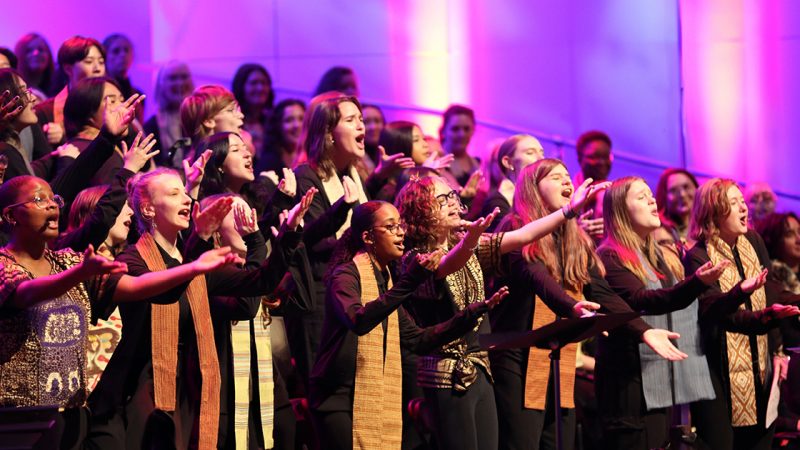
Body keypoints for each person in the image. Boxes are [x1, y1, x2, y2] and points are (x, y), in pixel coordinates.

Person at [85, 167, 307, 449]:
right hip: (136, 390)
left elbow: (259, 282)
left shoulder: (196, 262)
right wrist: (197, 249)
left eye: (185, 191)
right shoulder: (133, 260)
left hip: (186, 390)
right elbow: (168, 290)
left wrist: (289, 233)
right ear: (149, 209)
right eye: (173, 193)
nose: (186, 199)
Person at [393, 166, 608, 450]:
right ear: (422, 210)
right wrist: (470, 242)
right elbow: (447, 265)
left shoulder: (469, 245)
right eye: (443, 199)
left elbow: (523, 236)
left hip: (481, 367)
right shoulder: (416, 259)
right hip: (446, 374)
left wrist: (569, 210)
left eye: (453, 195)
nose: (454, 203)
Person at [489, 161, 685, 450]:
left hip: (557, 356)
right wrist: (572, 306)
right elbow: (535, 275)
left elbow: (603, 293)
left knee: (560, 441)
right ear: (532, 188)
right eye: (556, 177)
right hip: (517, 358)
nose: (567, 181)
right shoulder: (516, 226)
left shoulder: (575, 238)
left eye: (568, 176)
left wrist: (643, 330)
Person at [309, 200, 508, 450]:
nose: (400, 232)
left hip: (374, 395)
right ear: (368, 237)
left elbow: (417, 339)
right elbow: (359, 321)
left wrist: (471, 314)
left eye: (400, 226)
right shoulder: (345, 276)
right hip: (337, 400)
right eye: (390, 227)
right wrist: (410, 281)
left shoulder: (386, 281)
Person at [596, 176, 728, 449]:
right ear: (621, 210)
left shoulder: (655, 254)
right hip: (628, 384)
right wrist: (697, 282)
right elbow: (643, 300)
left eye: (651, 195)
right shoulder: (609, 255)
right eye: (641, 197)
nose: (652, 201)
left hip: (656, 379)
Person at [684, 178, 800, 449]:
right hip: (715, 370)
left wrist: (777, 350)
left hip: (760, 362)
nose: (744, 208)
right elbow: (714, 310)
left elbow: (770, 292)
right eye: (733, 203)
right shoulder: (698, 256)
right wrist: (760, 312)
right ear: (713, 213)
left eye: (742, 201)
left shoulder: (753, 240)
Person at [35, 36, 106, 147]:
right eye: (89, 61)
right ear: (68, 69)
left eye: (101, 62)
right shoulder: (45, 112)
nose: (98, 68)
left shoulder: (112, 107)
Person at [480, 134, 544, 231]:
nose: (541, 158)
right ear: (508, 162)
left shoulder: (542, 197)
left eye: (542, 153)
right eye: (530, 153)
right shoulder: (497, 203)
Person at [143, 61, 194, 166]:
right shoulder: (151, 127)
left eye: (184, 77)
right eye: (173, 78)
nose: (180, 83)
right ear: (160, 84)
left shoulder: (201, 120)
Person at [654, 168, 699, 256]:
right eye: (673, 190)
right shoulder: (660, 232)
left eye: (686, 187)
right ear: (664, 196)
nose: (682, 194)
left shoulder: (709, 226)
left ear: (697, 189)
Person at [232, 63, 274, 154]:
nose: (260, 88)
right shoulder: (231, 121)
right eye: (254, 83)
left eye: (264, 83)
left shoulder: (273, 121)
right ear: (241, 86)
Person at [257, 98, 306, 174]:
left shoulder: (313, 158)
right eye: (289, 120)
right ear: (278, 126)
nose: (297, 125)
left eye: (301, 119)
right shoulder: (268, 163)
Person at [439, 104, 480, 187]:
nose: (462, 134)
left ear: (473, 130)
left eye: (466, 129)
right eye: (455, 129)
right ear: (443, 131)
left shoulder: (479, 164)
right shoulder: (436, 165)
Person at [14, 33, 57, 99]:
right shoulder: (14, 89)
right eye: (29, 51)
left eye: (41, 49)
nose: (36, 53)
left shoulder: (59, 86)